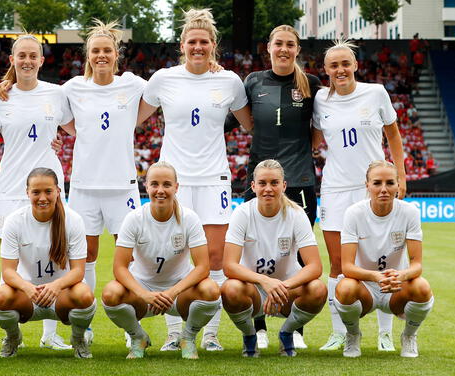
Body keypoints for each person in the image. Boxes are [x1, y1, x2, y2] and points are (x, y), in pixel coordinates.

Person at [0, 21, 145, 345]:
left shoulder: (132, 84)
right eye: (95, 51)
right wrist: (61, 139)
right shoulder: (71, 88)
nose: (101, 55)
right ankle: (84, 326)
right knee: (84, 254)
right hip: (83, 184)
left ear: (116, 53)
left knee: (131, 257)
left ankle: (134, 331)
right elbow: (67, 124)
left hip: (123, 184)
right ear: (87, 56)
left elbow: (152, 103)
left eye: (107, 50)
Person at [137, 8, 252, 352]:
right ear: (182, 45)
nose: (198, 47)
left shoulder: (230, 81)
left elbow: (250, 125)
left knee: (215, 259)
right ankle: (175, 333)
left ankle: (210, 334)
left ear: (213, 45)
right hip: (173, 181)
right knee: (175, 258)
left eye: (204, 42)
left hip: (214, 178)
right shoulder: (162, 79)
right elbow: (131, 119)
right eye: (192, 42)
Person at [224, 24, 322, 350]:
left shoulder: (311, 84)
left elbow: (319, 131)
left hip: (301, 181)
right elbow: (238, 120)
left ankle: (295, 330)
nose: (283, 49)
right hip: (261, 179)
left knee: (300, 257)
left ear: (297, 50)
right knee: (255, 252)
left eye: (290, 45)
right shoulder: (253, 81)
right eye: (278, 44)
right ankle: (260, 326)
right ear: (268, 47)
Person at [312, 39, 407, 352]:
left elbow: (393, 134)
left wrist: (400, 175)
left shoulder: (376, 93)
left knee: (383, 259)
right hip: (335, 189)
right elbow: (312, 141)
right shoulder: (320, 100)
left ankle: (385, 334)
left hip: (373, 186)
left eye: (345, 64)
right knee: (338, 265)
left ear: (355, 66)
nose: (340, 70)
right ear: (326, 70)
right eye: (334, 65)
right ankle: (341, 332)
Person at [0, 34, 74, 351]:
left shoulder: (57, 94)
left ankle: (51, 334)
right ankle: (11, 331)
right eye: (20, 55)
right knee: (11, 257)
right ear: (12, 60)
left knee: (56, 252)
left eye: (33, 56)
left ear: (41, 60)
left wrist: (58, 141)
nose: (27, 60)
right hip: (12, 186)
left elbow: (76, 129)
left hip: (51, 184)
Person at [101, 161, 221, 359]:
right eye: (154, 184)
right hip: (142, 291)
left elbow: (203, 267)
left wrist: (173, 292)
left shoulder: (190, 218)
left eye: (166, 184)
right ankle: (138, 336)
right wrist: (144, 294)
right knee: (111, 293)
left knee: (211, 290)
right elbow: (119, 268)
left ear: (176, 187)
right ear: (146, 186)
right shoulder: (134, 218)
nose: (160, 190)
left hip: (179, 293)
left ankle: (187, 337)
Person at [221, 159, 326, 357]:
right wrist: (265, 281)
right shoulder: (242, 213)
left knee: (318, 289)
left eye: (274, 183)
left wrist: (282, 286)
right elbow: (229, 266)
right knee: (230, 289)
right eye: (262, 183)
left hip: (286, 291)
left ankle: (287, 332)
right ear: (253, 186)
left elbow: (314, 267)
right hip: (252, 290)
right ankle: (249, 335)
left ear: (284, 185)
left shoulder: (296, 214)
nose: (268, 188)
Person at [0, 168, 96, 358]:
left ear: (58, 191)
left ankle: (78, 338)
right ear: (27, 193)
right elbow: (8, 272)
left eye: (48, 191)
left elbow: (78, 271)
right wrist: (27, 287)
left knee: (85, 295)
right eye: (36, 192)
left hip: (61, 295)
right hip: (26, 296)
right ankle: (13, 337)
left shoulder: (73, 220)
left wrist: (56, 286)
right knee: (1, 296)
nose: (42, 198)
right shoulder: (14, 221)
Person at [335, 160, 434, 358]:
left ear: (398, 184)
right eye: (377, 183)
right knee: (345, 288)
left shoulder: (410, 212)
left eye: (390, 183)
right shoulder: (354, 213)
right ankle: (353, 335)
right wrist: (376, 277)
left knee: (422, 287)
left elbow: (417, 264)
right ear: (367, 185)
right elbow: (347, 267)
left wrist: (401, 275)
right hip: (365, 287)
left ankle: (409, 336)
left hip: (396, 287)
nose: (383, 189)